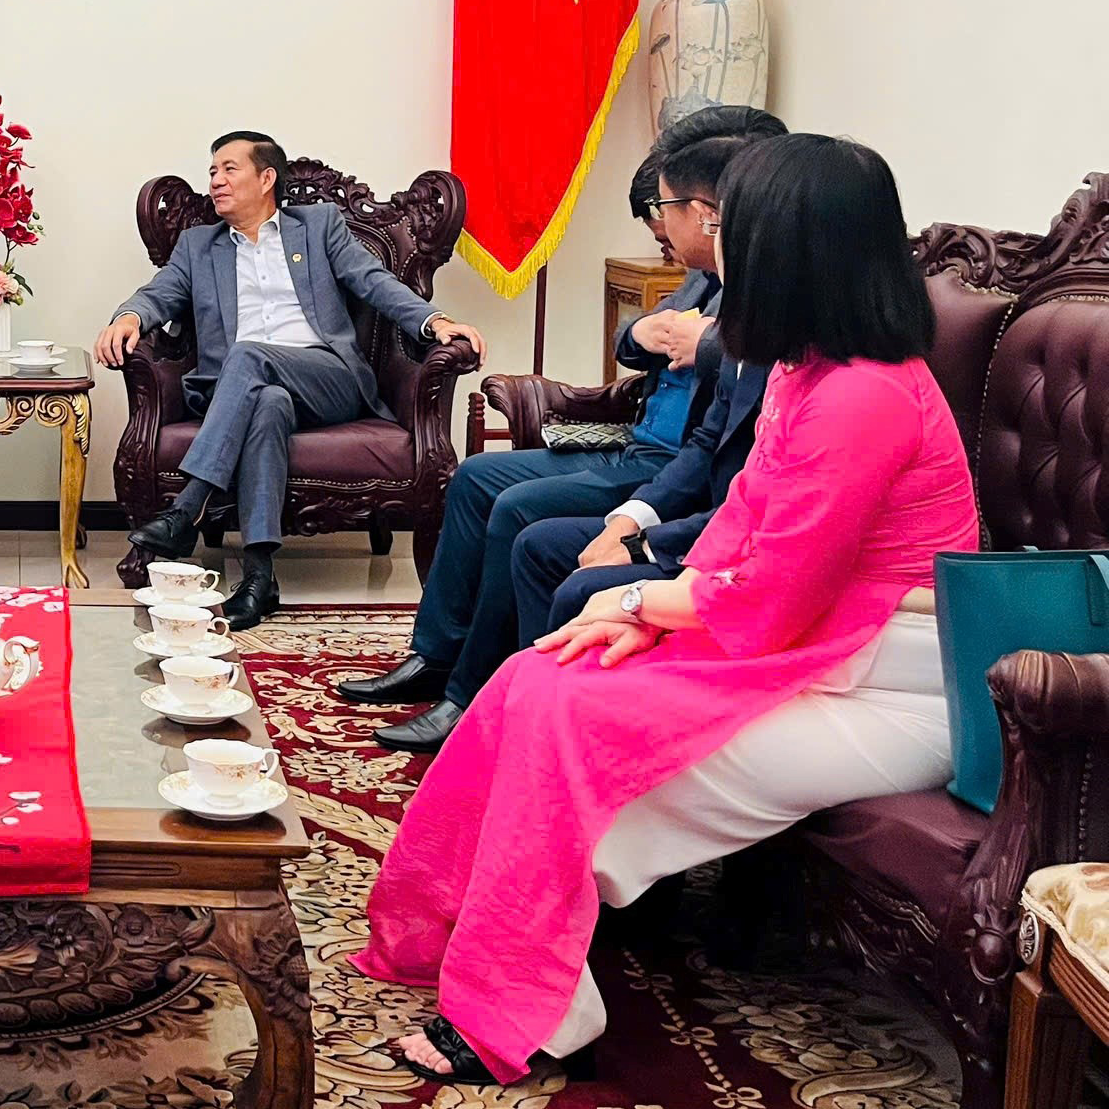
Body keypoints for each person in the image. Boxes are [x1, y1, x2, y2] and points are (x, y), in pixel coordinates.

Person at [358, 133, 975, 1087]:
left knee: (571, 720)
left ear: (794, 249)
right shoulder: (809, 369)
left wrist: (646, 597)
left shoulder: (866, 396)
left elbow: (773, 594)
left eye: (742, 229)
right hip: (808, 643)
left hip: (886, 681)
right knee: (536, 677)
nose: (722, 251)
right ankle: (498, 946)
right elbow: (742, 522)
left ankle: (537, 1009)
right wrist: (641, 613)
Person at [338, 114, 780, 750]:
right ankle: (438, 657)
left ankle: (479, 694)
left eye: (665, 212)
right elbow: (632, 339)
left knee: (520, 509)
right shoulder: (705, 276)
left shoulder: (763, 304)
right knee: (475, 475)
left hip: (665, 469)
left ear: (713, 208)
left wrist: (710, 342)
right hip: (641, 450)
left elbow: (723, 434)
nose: (663, 232)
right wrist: (645, 334)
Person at [99, 131, 486, 629]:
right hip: (247, 389)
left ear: (266, 179)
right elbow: (158, 294)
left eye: (228, 169)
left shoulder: (318, 227)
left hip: (329, 377)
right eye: (212, 171)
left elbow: (375, 282)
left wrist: (434, 323)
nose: (215, 180)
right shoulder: (198, 246)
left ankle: (188, 507)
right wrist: (130, 318)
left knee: (248, 356)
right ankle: (260, 579)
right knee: (268, 405)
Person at [507, 136, 780, 642]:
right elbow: (708, 445)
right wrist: (632, 524)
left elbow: (770, 517)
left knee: (567, 572)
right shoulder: (715, 288)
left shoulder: (813, 360)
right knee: (535, 541)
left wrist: (646, 555)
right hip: (687, 493)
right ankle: (484, 689)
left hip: (732, 543)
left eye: (725, 223)